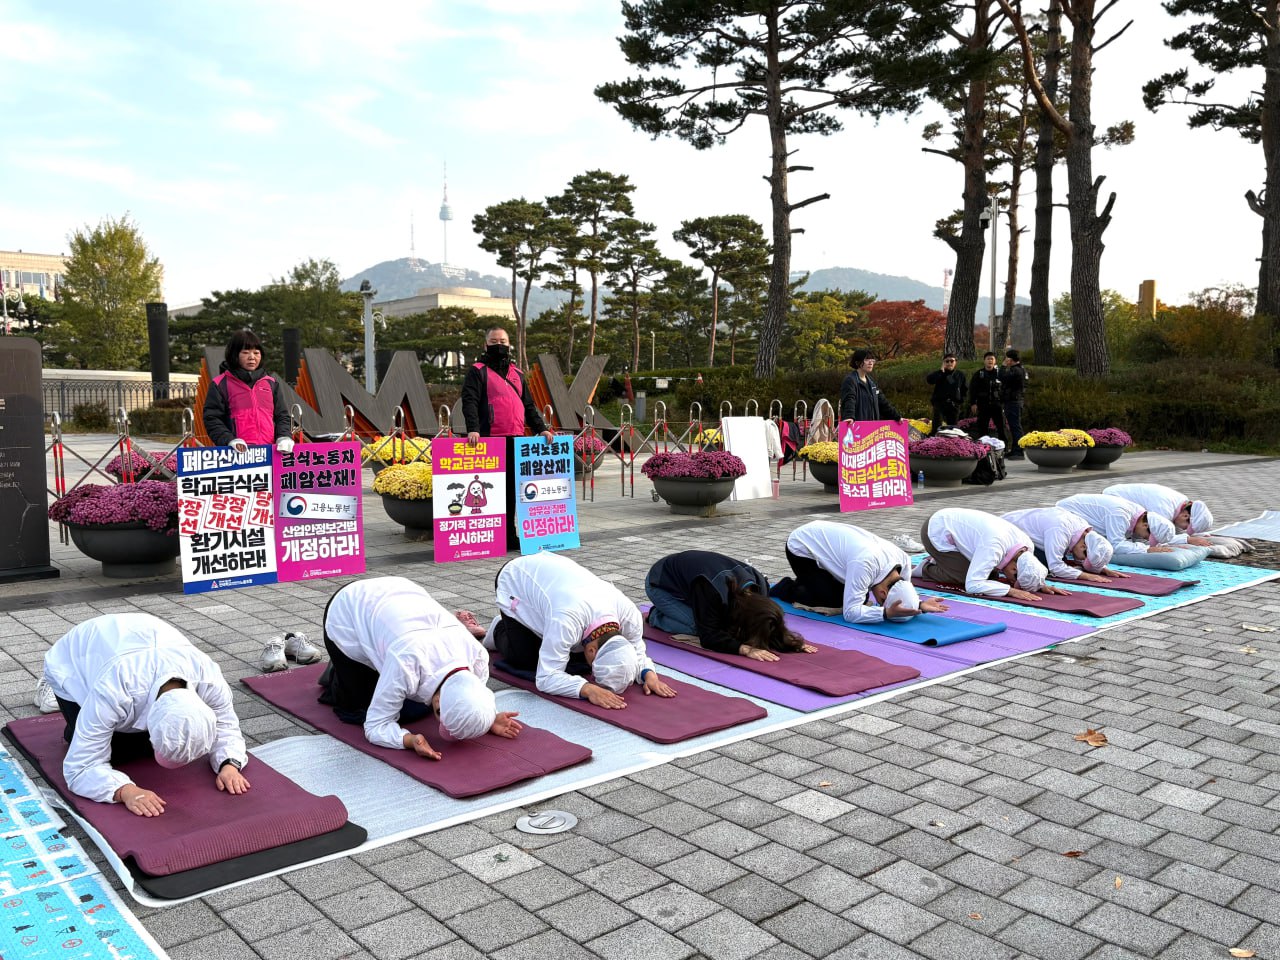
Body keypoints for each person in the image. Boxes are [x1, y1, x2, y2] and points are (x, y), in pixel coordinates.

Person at [37, 613, 250, 817]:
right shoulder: (114, 692)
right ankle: (58, 700)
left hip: (144, 636)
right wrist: (126, 791)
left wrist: (229, 764)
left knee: (151, 744)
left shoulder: (209, 678)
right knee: (118, 754)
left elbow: (226, 726)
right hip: (76, 657)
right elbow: (81, 767)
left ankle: (91, 726)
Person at [319, 577, 519, 759]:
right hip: (346, 609)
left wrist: (485, 718)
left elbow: (471, 695)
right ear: (439, 702)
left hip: (398, 593)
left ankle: (365, 663)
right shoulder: (406, 664)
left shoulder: (478, 656)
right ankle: (340, 668)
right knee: (364, 709)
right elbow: (375, 725)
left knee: (411, 704)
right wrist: (409, 741)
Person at [487, 552, 676, 709]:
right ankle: (499, 628)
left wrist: (647, 674)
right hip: (516, 579)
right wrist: (588, 689)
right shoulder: (566, 620)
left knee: (576, 662)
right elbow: (546, 677)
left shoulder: (630, 615)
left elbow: (635, 649)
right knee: (526, 659)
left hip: (556, 584)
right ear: (592, 650)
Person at [460, 326, 555, 548]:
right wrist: (472, 428)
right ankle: (493, 534)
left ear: (509, 344)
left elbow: (528, 405)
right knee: (490, 489)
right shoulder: (477, 370)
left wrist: (541, 428)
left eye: (502, 341)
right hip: (489, 439)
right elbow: (470, 400)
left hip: (515, 439)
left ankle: (510, 535)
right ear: (486, 345)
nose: (499, 345)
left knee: (512, 488)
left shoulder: (518, 374)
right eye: (494, 341)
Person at [645, 550, 816, 661]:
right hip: (660, 584)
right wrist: (744, 649)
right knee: (697, 627)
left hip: (694, 580)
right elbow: (708, 636)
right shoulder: (712, 590)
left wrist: (790, 641)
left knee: (723, 625)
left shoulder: (761, 587)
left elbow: (769, 621)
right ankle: (657, 616)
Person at [771, 520, 949, 622]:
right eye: (880, 601)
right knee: (833, 603)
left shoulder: (903, 559)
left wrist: (918, 605)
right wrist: (885, 613)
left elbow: (905, 590)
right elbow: (850, 613)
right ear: (882, 592)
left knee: (857, 598)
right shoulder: (865, 564)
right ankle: (786, 587)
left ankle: (815, 583)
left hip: (827, 543)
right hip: (801, 547)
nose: (878, 602)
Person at [915, 507, 1068, 601]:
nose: (1013, 583)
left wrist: (1039, 583)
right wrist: (1010, 591)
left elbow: (1029, 568)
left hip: (958, 528)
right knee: (965, 577)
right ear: (1014, 569)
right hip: (936, 531)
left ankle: (945, 562)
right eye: (1015, 579)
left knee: (991, 578)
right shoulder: (994, 546)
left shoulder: (1027, 548)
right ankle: (924, 568)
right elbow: (973, 585)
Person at [203, 329, 295, 455]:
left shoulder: (271, 383)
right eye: (245, 352)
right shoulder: (220, 384)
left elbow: (282, 416)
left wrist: (284, 436)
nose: (252, 357)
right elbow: (212, 418)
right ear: (234, 355)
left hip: (270, 453)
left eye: (256, 353)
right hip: (237, 455)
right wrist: (229, 440)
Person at [1002, 507, 1127, 583]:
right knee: (1041, 567)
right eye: (1084, 558)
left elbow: (1093, 552)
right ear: (1084, 546)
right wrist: (1086, 576)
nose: (1082, 561)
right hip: (1006, 531)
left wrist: (1102, 568)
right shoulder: (1060, 530)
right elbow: (1055, 566)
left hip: (1025, 533)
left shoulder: (1083, 531)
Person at [1056, 493, 1184, 557]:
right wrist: (1147, 549)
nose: (1145, 539)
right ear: (1146, 526)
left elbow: (1129, 540)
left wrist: (1184, 540)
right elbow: (1115, 545)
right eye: (1147, 537)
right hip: (1065, 513)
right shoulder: (1120, 514)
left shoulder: (1138, 515)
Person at [1102, 483, 1214, 545]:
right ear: (1185, 516)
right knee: (1125, 539)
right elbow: (1160, 536)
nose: (1184, 529)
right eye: (1187, 527)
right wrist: (1188, 540)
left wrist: (1193, 536)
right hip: (1112, 499)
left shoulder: (1182, 501)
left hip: (1118, 498)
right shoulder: (1163, 509)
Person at [839, 349, 902, 423]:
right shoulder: (850, 380)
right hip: (857, 428)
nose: (870, 363)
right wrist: (849, 416)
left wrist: (897, 417)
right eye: (866, 360)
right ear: (857, 362)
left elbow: (883, 403)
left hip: (873, 430)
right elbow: (849, 400)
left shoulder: (872, 382)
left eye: (872, 360)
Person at [968, 352, 1006, 445]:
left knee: (1001, 426)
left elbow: (1005, 388)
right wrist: (973, 403)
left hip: (996, 405)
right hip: (983, 405)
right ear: (984, 361)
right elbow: (973, 389)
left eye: (992, 359)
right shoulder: (979, 374)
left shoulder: (999, 373)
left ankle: (1003, 446)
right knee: (982, 426)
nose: (990, 361)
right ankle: (983, 447)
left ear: (995, 361)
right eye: (988, 359)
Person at [925, 353, 967, 435]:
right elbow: (930, 380)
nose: (949, 363)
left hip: (954, 404)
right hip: (940, 403)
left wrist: (960, 400)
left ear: (955, 362)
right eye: (947, 361)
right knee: (937, 426)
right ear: (943, 363)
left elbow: (964, 389)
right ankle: (933, 442)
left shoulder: (960, 375)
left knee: (953, 429)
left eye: (952, 361)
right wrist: (941, 371)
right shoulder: (940, 373)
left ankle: (951, 445)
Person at [1001, 349, 1027, 458]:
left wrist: (1002, 367)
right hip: (1016, 400)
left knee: (1015, 426)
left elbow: (1002, 378)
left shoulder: (1015, 370)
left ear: (1010, 359)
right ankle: (1015, 449)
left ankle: (1018, 451)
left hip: (1013, 401)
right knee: (1013, 426)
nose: (1006, 360)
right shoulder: (1021, 369)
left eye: (1007, 358)